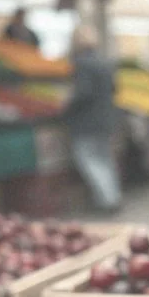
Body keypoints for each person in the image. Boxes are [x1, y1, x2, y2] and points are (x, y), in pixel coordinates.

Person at [65, 26, 120, 213]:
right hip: (105, 119)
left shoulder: (81, 64)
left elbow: (83, 92)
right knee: (105, 159)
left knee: (88, 159)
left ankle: (107, 200)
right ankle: (112, 196)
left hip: (87, 122)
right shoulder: (104, 62)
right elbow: (114, 89)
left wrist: (66, 104)